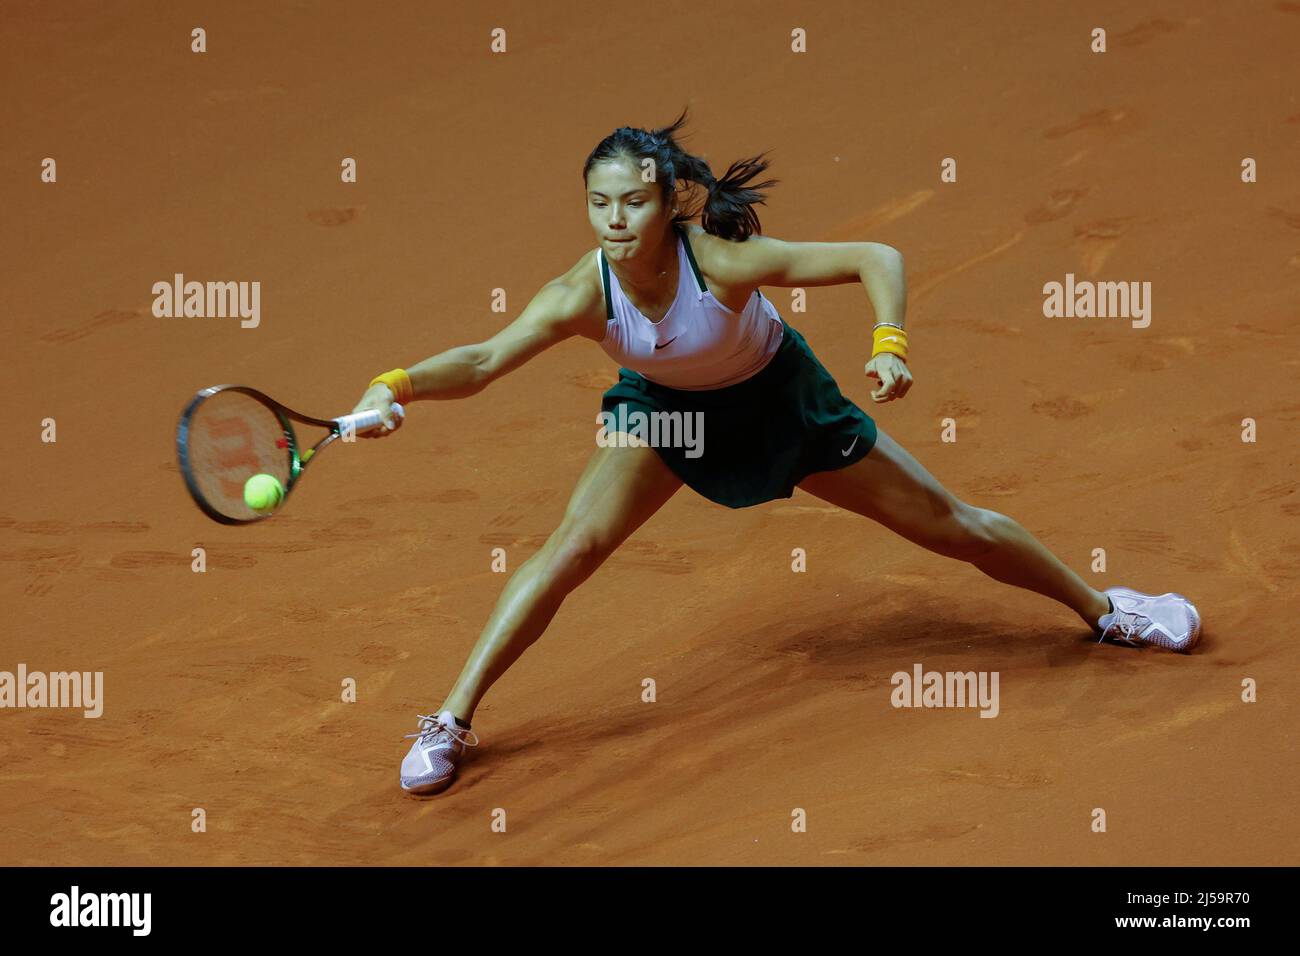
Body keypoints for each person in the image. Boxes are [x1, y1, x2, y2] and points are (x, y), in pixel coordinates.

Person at [348, 108, 1202, 797]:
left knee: (951, 527)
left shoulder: (719, 261)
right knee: (571, 547)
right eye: (598, 203)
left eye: (633, 204)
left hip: (780, 403)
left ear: (666, 200)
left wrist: (891, 342)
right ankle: (451, 719)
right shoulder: (581, 294)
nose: (614, 221)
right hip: (668, 416)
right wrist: (397, 387)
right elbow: (485, 360)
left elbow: (877, 254)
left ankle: (1106, 610)